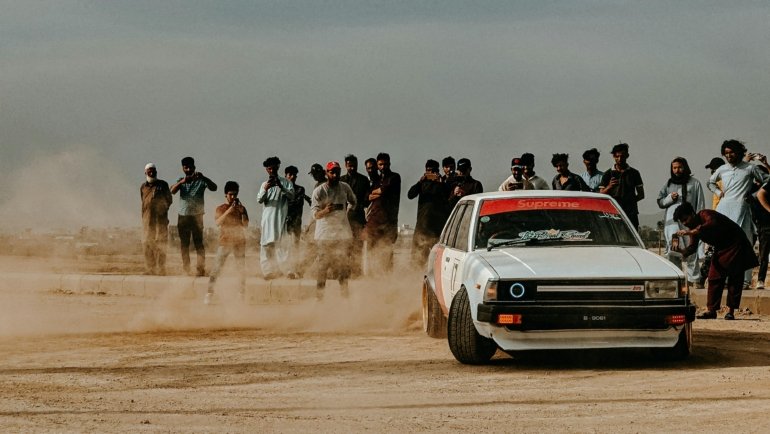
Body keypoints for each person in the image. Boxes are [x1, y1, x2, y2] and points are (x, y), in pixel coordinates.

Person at [673, 202, 758, 320]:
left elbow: (712, 223)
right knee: (714, 277)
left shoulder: (705, 214)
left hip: (736, 243)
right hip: (721, 248)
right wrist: (681, 251)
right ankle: (711, 310)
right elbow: (692, 248)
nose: (685, 223)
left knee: (735, 278)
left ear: (692, 214)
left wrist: (691, 232)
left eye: (686, 219)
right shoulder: (693, 229)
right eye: (683, 222)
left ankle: (731, 311)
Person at [707, 140, 768, 287]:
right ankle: (725, 279)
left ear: (739, 152)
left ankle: (745, 281)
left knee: (744, 246)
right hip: (724, 209)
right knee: (723, 246)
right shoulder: (722, 169)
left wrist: (757, 193)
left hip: (742, 210)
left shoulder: (750, 168)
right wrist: (718, 192)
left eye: (732, 152)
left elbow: (767, 180)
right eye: (726, 153)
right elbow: (710, 182)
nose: (729, 155)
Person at [656, 157, 706, 287]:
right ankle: (676, 280)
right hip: (672, 224)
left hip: (689, 223)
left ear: (685, 167)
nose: (677, 170)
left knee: (691, 250)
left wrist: (698, 222)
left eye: (680, 167)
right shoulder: (668, 184)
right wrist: (669, 198)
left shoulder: (694, 183)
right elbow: (660, 202)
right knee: (674, 250)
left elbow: (700, 203)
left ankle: (693, 280)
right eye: (674, 168)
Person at [311, 161, 357, 300]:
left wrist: (346, 214)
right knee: (322, 269)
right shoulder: (319, 191)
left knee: (342, 269)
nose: (335, 174)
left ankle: (345, 299)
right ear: (327, 173)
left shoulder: (345, 187)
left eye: (337, 171)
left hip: (342, 235)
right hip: (324, 235)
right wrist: (325, 211)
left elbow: (353, 201)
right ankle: (319, 299)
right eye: (332, 172)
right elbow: (314, 214)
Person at [171, 156, 218, 276]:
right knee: (184, 245)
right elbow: (172, 190)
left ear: (194, 167)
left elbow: (214, 188)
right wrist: (182, 182)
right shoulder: (181, 180)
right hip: (183, 216)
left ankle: (200, 269)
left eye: (190, 167)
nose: (188, 170)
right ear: (183, 168)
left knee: (199, 244)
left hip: (197, 217)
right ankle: (186, 269)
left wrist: (204, 178)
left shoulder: (201, 180)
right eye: (186, 168)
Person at [205, 181, 249, 305]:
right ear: (225, 194)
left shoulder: (242, 208)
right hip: (225, 242)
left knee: (241, 269)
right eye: (230, 194)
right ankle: (209, 293)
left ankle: (241, 294)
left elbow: (245, 225)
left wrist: (242, 211)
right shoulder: (220, 208)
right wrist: (229, 210)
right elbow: (218, 222)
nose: (233, 197)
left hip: (239, 242)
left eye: (235, 194)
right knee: (216, 269)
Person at [257, 156, 295, 279]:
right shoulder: (264, 184)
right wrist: (265, 189)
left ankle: (287, 270)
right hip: (267, 219)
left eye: (273, 168)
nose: (271, 171)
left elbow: (292, 196)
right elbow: (259, 200)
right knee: (266, 246)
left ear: (278, 167)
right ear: (267, 170)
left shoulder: (286, 182)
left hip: (280, 218)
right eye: (269, 169)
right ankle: (268, 272)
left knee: (283, 245)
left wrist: (281, 186)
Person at [364, 152, 401, 273]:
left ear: (389, 163)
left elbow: (384, 191)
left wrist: (376, 193)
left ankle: (387, 282)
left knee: (387, 254)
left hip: (389, 222)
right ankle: (371, 280)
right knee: (371, 252)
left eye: (385, 164)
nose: (383, 167)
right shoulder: (376, 179)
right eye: (380, 164)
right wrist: (376, 193)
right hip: (374, 221)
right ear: (377, 165)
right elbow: (366, 197)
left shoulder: (395, 177)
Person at [407, 159, 449, 266]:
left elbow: (447, 198)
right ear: (425, 171)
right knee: (417, 261)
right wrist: (420, 181)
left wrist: (441, 183)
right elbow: (410, 195)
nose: (430, 173)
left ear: (437, 171)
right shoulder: (422, 184)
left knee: (437, 262)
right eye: (428, 170)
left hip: (437, 229)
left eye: (433, 170)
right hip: (422, 227)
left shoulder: (443, 184)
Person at [599, 143, 644, 231]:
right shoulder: (607, 174)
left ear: (627, 156)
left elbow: (641, 195)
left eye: (622, 156)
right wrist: (609, 186)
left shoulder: (634, 173)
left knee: (631, 240)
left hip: (630, 214)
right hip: (612, 213)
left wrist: (629, 202)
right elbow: (601, 194)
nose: (619, 159)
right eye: (617, 156)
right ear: (613, 156)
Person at [340, 154, 371, 277]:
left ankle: (357, 274)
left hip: (358, 218)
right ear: (346, 166)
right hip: (343, 220)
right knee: (344, 248)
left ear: (357, 165)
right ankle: (345, 274)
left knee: (357, 249)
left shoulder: (364, 180)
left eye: (354, 166)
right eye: (349, 166)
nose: (352, 168)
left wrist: (358, 204)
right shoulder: (341, 180)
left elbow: (367, 199)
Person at [140, 163, 172, 275]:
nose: (152, 172)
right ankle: (150, 269)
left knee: (161, 244)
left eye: (154, 170)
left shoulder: (163, 185)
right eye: (149, 170)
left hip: (160, 220)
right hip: (147, 220)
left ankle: (161, 269)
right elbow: (143, 203)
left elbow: (169, 200)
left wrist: (162, 209)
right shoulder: (143, 187)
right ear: (145, 172)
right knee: (147, 244)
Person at [284, 165, 311, 279]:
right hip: (284, 222)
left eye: (294, 175)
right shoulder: (282, 189)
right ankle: (286, 269)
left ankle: (293, 269)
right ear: (286, 176)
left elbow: (296, 203)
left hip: (295, 222)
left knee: (294, 245)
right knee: (284, 246)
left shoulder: (300, 189)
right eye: (290, 175)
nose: (292, 177)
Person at [751, 166, 770, 289]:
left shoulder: (767, 185)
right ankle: (760, 280)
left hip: (763, 224)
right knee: (763, 254)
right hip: (762, 224)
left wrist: (766, 164)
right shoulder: (752, 188)